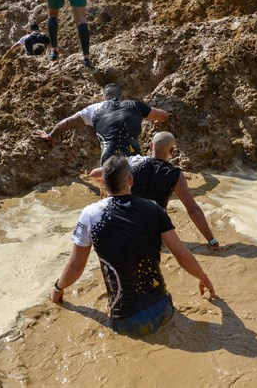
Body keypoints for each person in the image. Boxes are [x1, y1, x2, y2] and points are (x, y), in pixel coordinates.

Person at [50, 155, 215, 337]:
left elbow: (76, 266)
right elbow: (181, 254)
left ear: (103, 183)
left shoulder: (90, 215)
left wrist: (58, 288)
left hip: (126, 320)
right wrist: (203, 277)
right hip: (164, 309)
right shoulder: (154, 209)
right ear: (130, 180)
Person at [89, 131, 220, 249]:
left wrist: (103, 186)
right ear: (172, 151)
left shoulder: (131, 162)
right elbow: (193, 210)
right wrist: (212, 240)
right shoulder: (175, 174)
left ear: (151, 145)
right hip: (152, 234)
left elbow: (94, 174)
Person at [33, 83, 170, 164]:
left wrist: (51, 135)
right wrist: (159, 120)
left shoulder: (94, 109)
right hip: (135, 160)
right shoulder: (134, 105)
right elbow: (164, 115)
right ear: (122, 97)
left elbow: (67, 123)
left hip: (109, 161)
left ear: (103, 98)